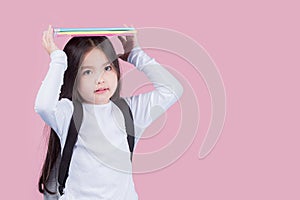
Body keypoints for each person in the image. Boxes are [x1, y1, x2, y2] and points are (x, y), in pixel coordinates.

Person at [35, 25, 183, 200]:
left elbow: (172, 90)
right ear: (72, 77)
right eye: (88, 72)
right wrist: (58, 59)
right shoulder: (68, 113)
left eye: (107, 68)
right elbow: (44, 106)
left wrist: (136, 54)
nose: (100, 79)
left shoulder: (130, 112)